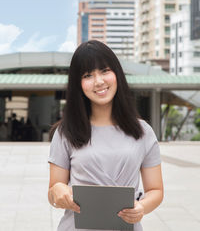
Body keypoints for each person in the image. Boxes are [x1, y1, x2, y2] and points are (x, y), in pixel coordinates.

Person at [48, 40, 164, 231]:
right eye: (88, 75)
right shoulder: (65, 132)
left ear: (117, 74)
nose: (99, 81)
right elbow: (54, 189)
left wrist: (141, 206)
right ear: (78, 84)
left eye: (104, 71)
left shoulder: (143, 131)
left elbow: (156, 190)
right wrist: (57, 192)